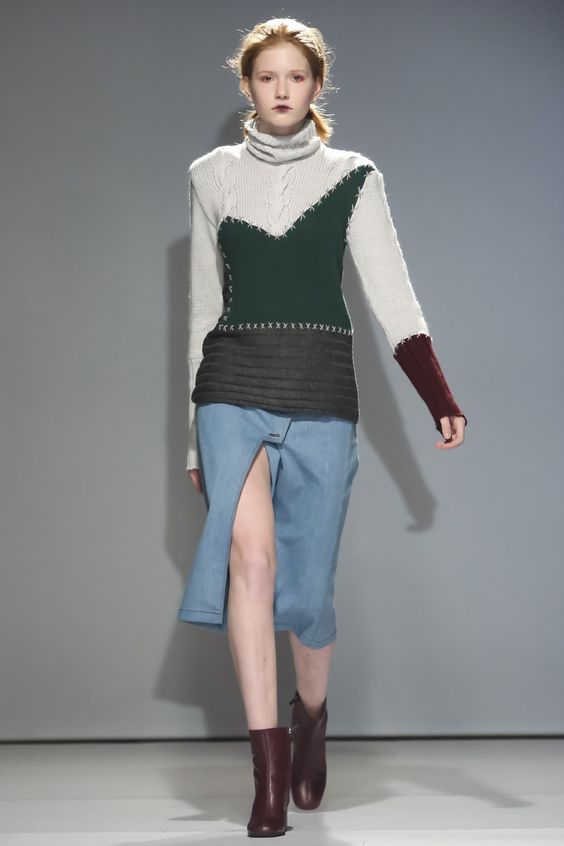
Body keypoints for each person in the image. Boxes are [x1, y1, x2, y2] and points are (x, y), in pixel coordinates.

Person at [178, 16, 467, 837]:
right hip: (231, 385)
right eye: (266, 76)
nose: (281, 90)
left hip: (321, 389)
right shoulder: (210, 176)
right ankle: (268, 780)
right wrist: (193, 433)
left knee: (305, 591)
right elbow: (202, 307)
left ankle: (311, 716)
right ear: (247, 85)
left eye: (296, 77)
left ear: (316, 86)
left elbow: (391, 293)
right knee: (251, 562)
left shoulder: (354, 175)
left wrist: (438, 395)